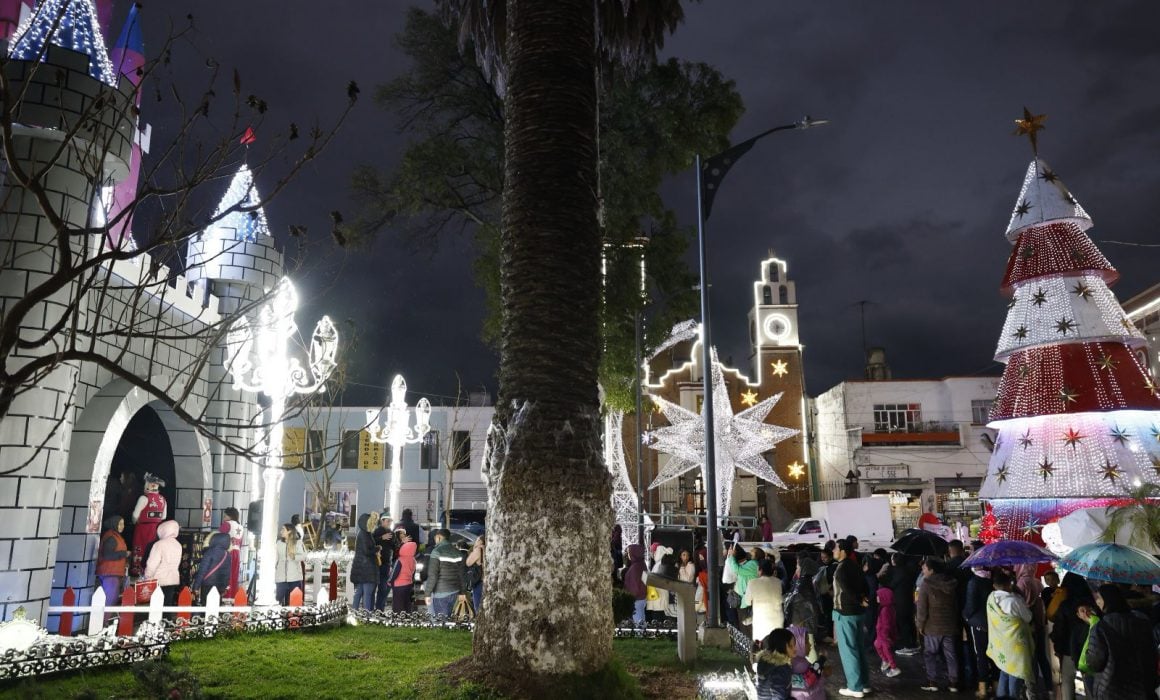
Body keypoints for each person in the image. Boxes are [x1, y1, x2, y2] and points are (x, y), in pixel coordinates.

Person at [1081, 583, 1158, 699]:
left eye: (1099, 598)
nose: (1097, 602)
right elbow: (1152, 654)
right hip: (1141, 687)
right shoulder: (1142, 622)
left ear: (1107, 601)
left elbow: (1094, 662)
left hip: (1111, 689)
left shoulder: (1100, 628)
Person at [987, 569, 1034, 699]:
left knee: (1005, 669)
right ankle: (1013, 697)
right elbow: (1028, 617)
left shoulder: (991, 599)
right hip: (1016, 643)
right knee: (1016, 671)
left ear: (994, 585)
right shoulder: (1014, 601)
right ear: (1009, 584)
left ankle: (1001, 696)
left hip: (1001, 642)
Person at [916, 557, 960, 693]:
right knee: (951, 654)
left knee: (930, 653)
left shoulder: (926, 584)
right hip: (950, 624)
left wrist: (920, 624)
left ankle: (932, 681)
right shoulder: (951, 583)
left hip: (932, 626)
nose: (923, 570)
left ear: (931, 570)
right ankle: (954, 683)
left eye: (924, 568)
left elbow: (922, 608)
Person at [832, 538, 870, 698]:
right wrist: (863, 599)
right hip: (859, 613)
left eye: (835, 548)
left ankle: (855, 687)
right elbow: (866, 586)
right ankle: (865, 684)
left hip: (845, 613)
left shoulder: (841, 569)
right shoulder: (855, 565)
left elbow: (846, 589)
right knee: (859, 649)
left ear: (843, 551)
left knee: (849, 651)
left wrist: (858, 599)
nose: (833, 551)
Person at [1048, 572, 1094, 700]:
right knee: (1089, 680)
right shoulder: (1092, 605)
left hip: (1069, 649)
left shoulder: (1065, 605)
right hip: (1089, 648)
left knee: (1067, 679)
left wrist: (1057, 647)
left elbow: (1059, 630)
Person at [1015, 562, 1051, 692]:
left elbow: (1020, 604)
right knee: (1042, 655)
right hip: (1039, 621)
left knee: (1031, 657)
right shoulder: (1037, 582)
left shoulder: (1021, 583)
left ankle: (1033, 687)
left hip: (1029, 623)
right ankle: (1049, 686)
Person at [963, 567, 995, 699]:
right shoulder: (992, 579)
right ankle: (997, 685)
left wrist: (965, 616)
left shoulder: (974, 581)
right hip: (994, 623)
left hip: (978, 624)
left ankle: (983, 689)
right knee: (994, 654)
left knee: (981, 654)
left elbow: (971, 606)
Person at [425, 528, 468, 619]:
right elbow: (462, 575)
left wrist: (427, 594)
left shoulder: (436, 552)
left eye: (435, 538)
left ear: (439, 537)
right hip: (455, 592)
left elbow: (433, 575)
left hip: (441, 593)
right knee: (452, 622)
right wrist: (462, 592)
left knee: (442, 623)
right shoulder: (458, 552)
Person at [131, 473, 167, 576]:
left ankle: (137, 571)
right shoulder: (163, 499)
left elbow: (135, 515)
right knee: (152, 550)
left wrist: (135, 521)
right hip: (156, 529)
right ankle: (150, 572)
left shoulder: (143, 498)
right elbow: (163, 517)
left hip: (142, 528)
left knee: (140, 548)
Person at [95, 515, 129, 622]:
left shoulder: (115, 536)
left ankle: (103, 621)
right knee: (109, 599)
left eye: (123, 524)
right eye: (120, 524)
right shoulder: (111, 537)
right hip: (110, 572)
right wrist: (124, 554)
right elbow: (108, 555)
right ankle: (103, 622)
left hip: (112, 572)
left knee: (110, 598)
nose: (122, 526)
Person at [142, 520, 182, 610]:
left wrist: (147, 576)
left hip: (159, 579)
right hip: (173, 579)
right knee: (167, 605)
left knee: (156, 607)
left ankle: (156, 623)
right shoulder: (178, 545)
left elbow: (152, 563)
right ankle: (167, 623)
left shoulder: (159, 544)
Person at [887, 553, 920, 655]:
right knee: (910, 622)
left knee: (903, 623)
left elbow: (891, 585)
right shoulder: (908, 570)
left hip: (901, 601)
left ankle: (908, 646)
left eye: (892, 559)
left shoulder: (898, 571)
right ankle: (913, 644)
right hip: (908, 599)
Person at [746, 559, 785, 644]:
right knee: (776, 644)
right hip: (777, 618)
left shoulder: (752, 582)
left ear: (760, 570)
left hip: (761, 619)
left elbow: (747, 601)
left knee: (760, 645)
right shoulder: (778, 582)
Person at [755, 628, 795, 700]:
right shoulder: (781, 668)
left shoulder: (765, 662)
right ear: (783, 646)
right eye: (791, 645)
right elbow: (778, 695)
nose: (795, 649)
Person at [349, 512, 379, 611]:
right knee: (368, 593)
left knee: (359, 592)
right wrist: (377, 548)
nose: (374, 525)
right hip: (367, 567)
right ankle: (367, 614)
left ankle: (354, 611)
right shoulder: (365, 534)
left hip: (361, 566)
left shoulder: (362, 533)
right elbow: (367, 551)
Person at [788, 625, 826, 700]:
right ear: (797, 644)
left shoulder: (796, 660)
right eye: (806, 641)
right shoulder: (799, 664)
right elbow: (810, 679)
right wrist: (822, 661)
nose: (810, 644)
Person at [193, 531, 230, 602]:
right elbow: (226, 573)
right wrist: (224, 587)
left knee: (206, 606)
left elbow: (202, 570)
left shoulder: (209, 552)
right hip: (219, 586)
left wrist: (196, 587)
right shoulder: (227, 554)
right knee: (216, 608)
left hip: (207, 584)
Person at [874, 586, 901, 678]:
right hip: (881, 633)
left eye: (878, 596)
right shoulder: (887, 608)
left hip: (883, 634)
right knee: (877, 645)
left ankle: (893, 667)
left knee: (886, 649)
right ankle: (886, 660)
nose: (877, 597)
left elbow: (886, 624)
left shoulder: (886, 610)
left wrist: (885, 634)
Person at [274, 523, 304, 605]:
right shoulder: (279, 543)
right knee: (278, 601)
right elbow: (276, 558)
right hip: (281, 578)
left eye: (283, 529)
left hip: (294, 578)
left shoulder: (298, 543)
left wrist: (293, 557)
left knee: (294, 603)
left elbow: (303, 556)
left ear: (289, 531)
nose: (281, 531)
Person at [390, 529, 417, 612]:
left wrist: (390, 580)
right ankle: (406, 615)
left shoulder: (403, 559)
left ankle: (399, 617)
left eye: (404, 533)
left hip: (399, 582)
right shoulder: (394, 544)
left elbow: (395, 572)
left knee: (399, 602)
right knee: (404, 600)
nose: (404, 535)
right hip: (407, 581)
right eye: (401, 533)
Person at [733, 546, 759, 628]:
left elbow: (737, 570)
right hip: (745, 599)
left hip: (746, 600)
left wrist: (731, 557)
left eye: (752, 551)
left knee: (746, 624)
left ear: (756, 555)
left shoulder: (753, 564)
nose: (750, 551)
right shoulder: (750, 563)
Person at [219, 507, 243, 598]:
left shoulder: (226, 524)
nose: (224, 518)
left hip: (227, 552)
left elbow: (219, 538)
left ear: (230, 516)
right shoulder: (240, 526)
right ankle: (232, 596)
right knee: (234, 576)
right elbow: (240, 543)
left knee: (226, 576)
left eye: (225, 516)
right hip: (237, 553)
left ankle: (225, 596)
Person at [372, 514, 394, 610]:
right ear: (382, 521)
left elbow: (393, 546)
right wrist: (381, 538)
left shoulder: (390, 532)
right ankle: (371, 609)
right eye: (387, 521)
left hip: (386, 564)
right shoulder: (377, 531)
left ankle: (380, 609)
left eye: (390, 521)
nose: (389, 523)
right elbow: (371, 543)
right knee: (373, 588)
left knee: (384, 588)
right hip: (376, 564)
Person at [623, 543, 648, 625]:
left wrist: (631, 597)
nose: (628, 555)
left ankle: (640, 636)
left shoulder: (635, 567)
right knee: (641, 620)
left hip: (636, 599)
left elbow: (635, 585)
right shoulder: (642, 564)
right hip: (642, 597)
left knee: (638, 622)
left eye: (629, 552)